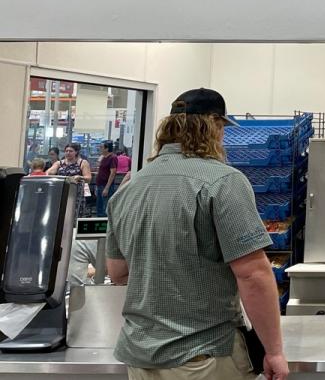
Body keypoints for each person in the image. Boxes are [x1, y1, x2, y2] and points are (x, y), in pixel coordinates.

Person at [106, 88, 288, 380]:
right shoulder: (223, 181)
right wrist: (274, 351)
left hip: (139, 359)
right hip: (203, 356)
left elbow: (118, 272)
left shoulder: (130, 187)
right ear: (213, 126)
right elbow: (253, 274)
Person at [48, 143, 92, 219]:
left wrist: (80, 177)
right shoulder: (59, 163)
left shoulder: (83, 163)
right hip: (62, 193)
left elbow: (88, 178)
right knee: (61, 215)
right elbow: (48, 172)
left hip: (76, 194)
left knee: (75, 216)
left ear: (76, 152)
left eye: (71, 151)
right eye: (66, 151)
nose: (68, 153)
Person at [94, 141, 117, 217]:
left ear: (107, 149)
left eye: (101, 147)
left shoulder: (112, 158)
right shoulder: (103, 157)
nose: (100, 149)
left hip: (106, 185)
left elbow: (113, 173)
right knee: (99, 206)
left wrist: (107, 188)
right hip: (99, 184)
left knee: (105, 207)